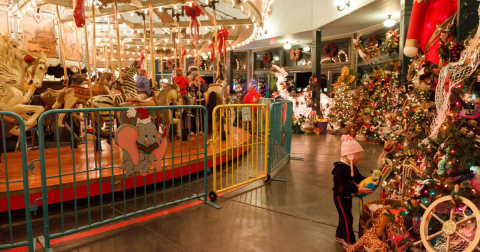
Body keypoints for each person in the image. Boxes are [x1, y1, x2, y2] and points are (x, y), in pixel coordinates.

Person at [332, 135, 373, 248]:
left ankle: (339, 235)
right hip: (340, 197)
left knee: (344, 216)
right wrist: (358, 189)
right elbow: (345, 186)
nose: (360, 157)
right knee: (347, 218)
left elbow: (358, 178)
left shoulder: (352, 167)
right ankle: (349, 241)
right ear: (349, 155)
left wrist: (370, 180)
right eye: (358, 155)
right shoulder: (340, 170)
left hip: (347, 197)